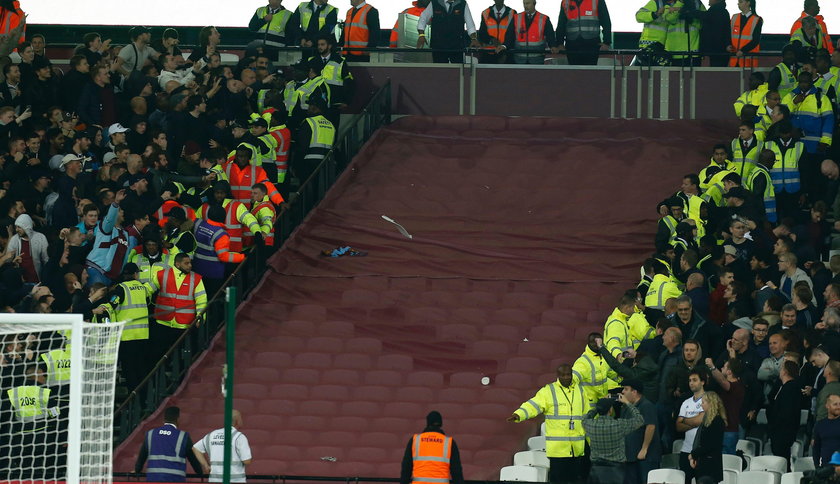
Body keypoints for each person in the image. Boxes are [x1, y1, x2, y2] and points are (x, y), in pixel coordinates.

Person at [508, 364, 587, 484]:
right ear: (558, 376)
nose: (566, 377)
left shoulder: (580, 391)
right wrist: (519, 414)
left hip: (577, 449)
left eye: (569, 374)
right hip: (558, 450)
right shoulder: (548, 391)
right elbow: (534, 405)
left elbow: (587, 413)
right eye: (563, 375)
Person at [93, 262, 154, 391]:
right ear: (136, 274)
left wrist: (101, 307)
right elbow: (151, 289)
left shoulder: (121, 288)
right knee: (142, 368)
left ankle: (134, 397)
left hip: (127, 336)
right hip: (143, 335)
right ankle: (144, 398)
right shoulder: (142, 288)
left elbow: (113, 303)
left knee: (130, 369)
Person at [6, 365, 58, 480]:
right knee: (41, 470)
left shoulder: (14, 392)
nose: (45, 377)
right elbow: (54, 413)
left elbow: (8, 415)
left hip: (21, 438)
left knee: (24, 470)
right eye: (43, 374)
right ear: (37, 375)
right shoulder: (44, 392)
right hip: (43, 437)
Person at [151, 253, 207, 357]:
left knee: (182, 356)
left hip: (184, 325)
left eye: (190, 263)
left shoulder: (196, 278)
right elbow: (149, 288)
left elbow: (202, 300)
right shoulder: (162, 274)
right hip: (163, 322)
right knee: (158, 353)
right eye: (186, 263)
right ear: (177, 264)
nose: (190, 265)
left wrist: (200, 317)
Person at [581, 395, 643, 484]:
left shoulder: (590, 425)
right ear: (610, 410)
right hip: (617, 471)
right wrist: (627, 403)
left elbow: (585, 418)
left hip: (596, 471)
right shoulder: (619, 425)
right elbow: (639, 420)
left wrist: (598, 407)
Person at [135, 406, 208, 482]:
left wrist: (137, 470)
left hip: (153, 478)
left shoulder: (150, 434)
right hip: (175, 479)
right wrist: (200, 473)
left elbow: (141, 457)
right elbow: (193, 459)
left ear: (164, 419)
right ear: (178, 419)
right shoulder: (183, 436)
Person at [192, 204, 245, 298]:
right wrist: (242, 257)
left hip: (196, 269)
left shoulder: (198, 223)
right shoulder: (221, 234)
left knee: (199, 298)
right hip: (213, 273)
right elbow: (223, 256)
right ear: (223, 218)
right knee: (213, 298)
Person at [400, 411, 464, 484]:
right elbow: (457, 472)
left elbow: (406, 469)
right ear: (440, 424)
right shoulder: (449, 442)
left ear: (427, 423)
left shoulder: (415, 440)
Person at [193, 409, 252, 482]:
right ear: (237, 421)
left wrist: (206, 465)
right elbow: (247, 461)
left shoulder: (212, 435)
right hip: (235, 480)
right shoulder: (239, 437)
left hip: (214, 480)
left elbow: (195, 448)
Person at [620, 380, 661, 484]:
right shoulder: (626, 407)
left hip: (646, 457)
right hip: (630, 456)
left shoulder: (646, 405)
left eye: (626, 389)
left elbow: (650, 426)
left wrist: (644, 449)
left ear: (634, 392)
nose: (623, 392)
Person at [416, 0, 481, 64]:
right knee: (440, 71)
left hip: (457, 46)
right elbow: (423, 18)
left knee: (459, 71)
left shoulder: (462, 3)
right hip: (438, 45)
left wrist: (474, 39)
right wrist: (421, 35)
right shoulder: (435, 3)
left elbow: (470, 24)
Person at [556, 0, 611, 66]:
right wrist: (560, 43)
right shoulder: (565, 2)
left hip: (592, 45)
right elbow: (561, 24)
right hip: (572, 45)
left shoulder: (597, 1)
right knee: (574, 73)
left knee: (590, 73)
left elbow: (606, 22)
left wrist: (606, 42)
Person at [676, 369, 706, 484]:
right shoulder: (686, 402)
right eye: (690, 380)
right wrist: (694, 422)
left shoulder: (708, 400)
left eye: (694, 380)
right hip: (686, 450)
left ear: (702, 382)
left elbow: (701, 421)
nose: (691, 383)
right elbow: (678, 426)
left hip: (701, 451)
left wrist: (686, 421)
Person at [767, 360, 801, 463]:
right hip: (780, 432)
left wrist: (775, 425)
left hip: (783, 433)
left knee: (782, 460)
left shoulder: (790, 388)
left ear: (785, 371)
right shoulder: (785, 387)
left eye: (781, 368)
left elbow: (786, 413)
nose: (780, 371)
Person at [688, 391, 725, 483]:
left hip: (710, 466)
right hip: (703, 464)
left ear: (710, 403)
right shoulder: (706, 420)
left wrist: (693, 454)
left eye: (703, 402)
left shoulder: (717, 421)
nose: (701, 405)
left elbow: (710, 445)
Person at [573, 333, 616, 409]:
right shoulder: (583, 362)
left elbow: (613, 375)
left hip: (604, 406)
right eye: (593, 341)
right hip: (590, 409)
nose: (596, 344)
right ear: (588, 343)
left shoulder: (603, 358)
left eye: (598, 341)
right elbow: (572, 380)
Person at [512, 0, 559, 65]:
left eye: (528, 3)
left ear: (534, 3)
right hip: (519, 59)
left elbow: (550, 35)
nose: (525, 6)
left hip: (537, 59)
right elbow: (510, 35)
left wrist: (553, 46)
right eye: (524, 4)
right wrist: (504, 46)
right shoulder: (516, 18)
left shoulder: (543, 18)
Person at [727, 0, 762, 68]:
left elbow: (755, 40)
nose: (738, 4)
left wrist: (743, 51)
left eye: (741, 2)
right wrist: (728, 45)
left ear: (748, 3)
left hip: (748, 60)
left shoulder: (757, 19)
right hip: (735, 59)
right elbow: (729, 34)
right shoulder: (734, 17)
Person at [813, 393, 840, 467]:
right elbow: (816, 449)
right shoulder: (819, 425)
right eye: (835, 404)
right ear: (827, 406)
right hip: (825, 468)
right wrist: (817, 467)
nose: (838, 407)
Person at [701, 0, 730, 67]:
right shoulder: (723, 12)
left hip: (716, 50)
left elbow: (704, 15)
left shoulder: (714, 12)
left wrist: (689, 12)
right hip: (722, 50)